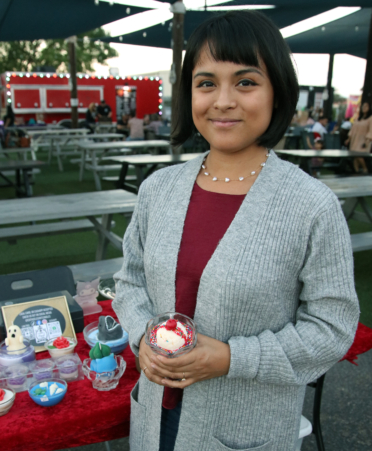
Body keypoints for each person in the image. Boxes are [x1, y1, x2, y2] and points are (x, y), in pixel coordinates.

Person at [113, 10, 359, 451]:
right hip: (154, 418)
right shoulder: (158, 190)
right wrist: (141, 335)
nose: (223, 100)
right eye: (206, 83)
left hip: (245, 430)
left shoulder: (310, 206)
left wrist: (231, 358)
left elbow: (332, 327)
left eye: (245, 82)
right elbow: (129, 281)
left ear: (277, 92)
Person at [345, 102, 372, 174]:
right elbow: (352, 129)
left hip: (363, 140)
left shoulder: (370, 118)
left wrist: (368, 139)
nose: (364, 108)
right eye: (363, 106)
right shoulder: (358, 118)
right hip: (355, 140)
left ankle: (365, 169)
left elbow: (371, 130)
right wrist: (349, 139)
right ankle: (356, 171)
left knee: (359, 155)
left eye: (366, 106)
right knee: (355, 157)